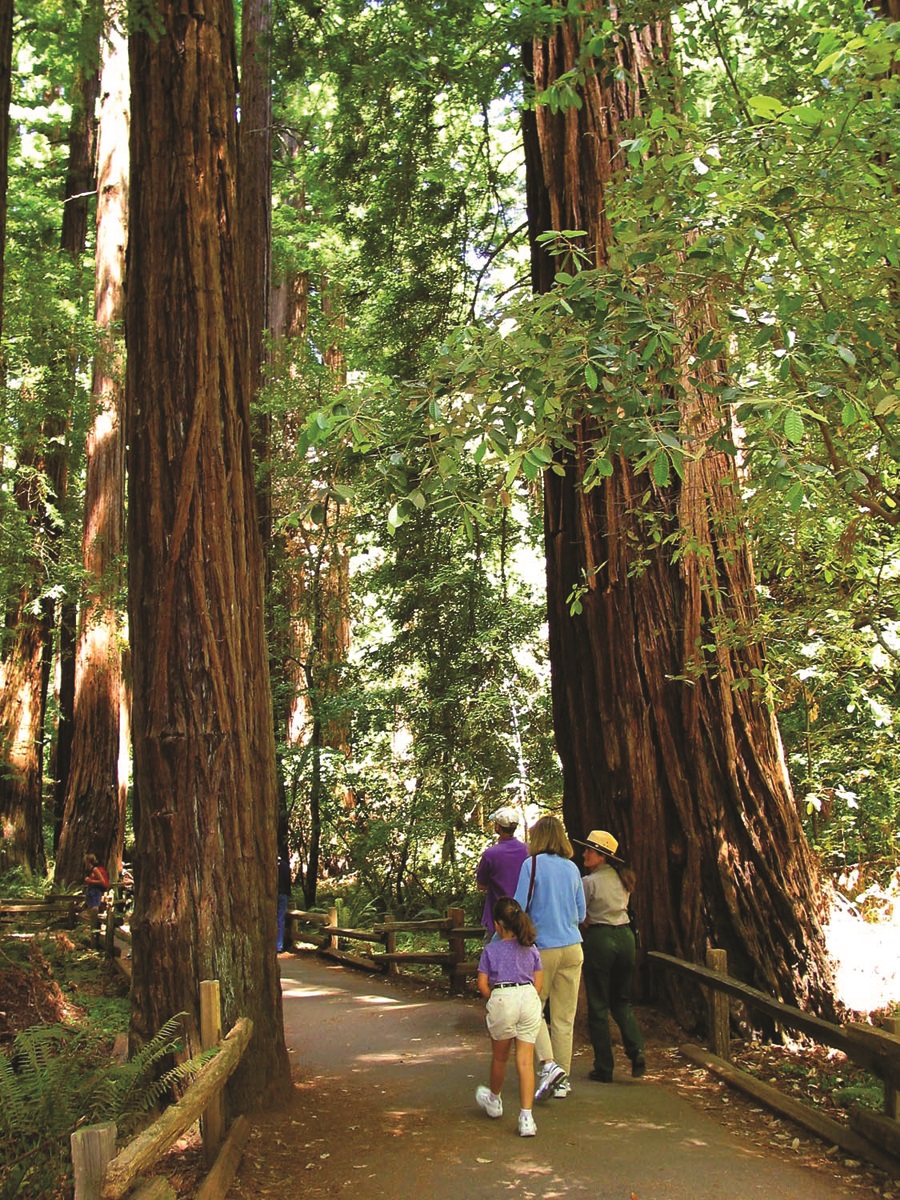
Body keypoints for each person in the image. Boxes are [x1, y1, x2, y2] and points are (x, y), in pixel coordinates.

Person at [513, 814, 585, 1102]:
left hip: (542, 949)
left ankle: (549, 1065)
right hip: (573, 947)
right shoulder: (572, 868)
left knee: (533, 1010)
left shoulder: (531, 866)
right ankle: (562, 1080)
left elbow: (518, 908)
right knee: (564, 1017)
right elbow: (581, 914)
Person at [574, 829, 645, 1082]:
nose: (584, 854)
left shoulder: (589, 882)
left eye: (589, 850)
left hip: (600, 938)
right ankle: (636, 1050)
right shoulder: (622, 878)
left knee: (598, 1003)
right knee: (621, 1000)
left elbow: (580, 914)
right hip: (625, 938)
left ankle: (604, 1066)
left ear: (601, 856)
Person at [475, 896, 544, 1137]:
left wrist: (495, 999)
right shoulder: (531, 948)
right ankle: (527, 1117)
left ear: (498, 924)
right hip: (528, 997)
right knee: (525, 1061)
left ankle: (494, 1100)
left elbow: (482, 985)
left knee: (500, 1057)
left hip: (504, 996)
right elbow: (538, 984)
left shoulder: (491, 950)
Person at [475, 806, 529, 935]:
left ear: (498, 827)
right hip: (524, 917)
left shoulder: (490, 854)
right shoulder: (528, 851)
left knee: (493, 953)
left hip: (498, 921)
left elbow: (481, 885)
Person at [277, 853, 293, 953]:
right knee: (280, 920)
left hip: (271, 894)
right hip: (283, 894)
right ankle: (279, 945)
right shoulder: (285, 866)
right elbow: (288, 881)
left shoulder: (268, 864)